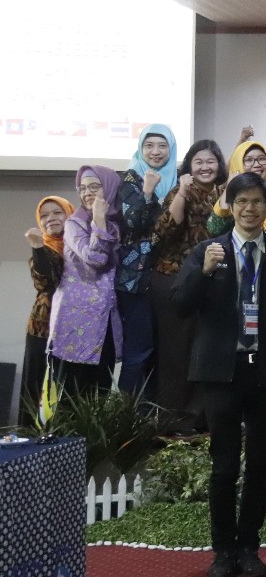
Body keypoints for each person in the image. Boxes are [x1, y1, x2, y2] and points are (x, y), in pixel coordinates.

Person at [173, 172, 266, 577]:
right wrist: (203, 272)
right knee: (225, 466)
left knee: (260, 465)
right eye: (241, 201)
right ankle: (223, 551)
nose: (249, 209)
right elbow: (180, 304)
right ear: (229, 206)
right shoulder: (207, 251)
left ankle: (249, 547)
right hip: (220, 374)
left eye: (257, 201)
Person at [151, 141, 228, 431]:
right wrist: (182, 191)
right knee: (177, 352)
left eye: (210, 161)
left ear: (219, 165)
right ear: (189, 166)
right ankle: (174, 421)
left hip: (212, 282)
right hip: (175, 279)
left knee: (205, 350)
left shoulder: (225, 192)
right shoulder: (180, 190)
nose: (205, 167)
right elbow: (165, 230)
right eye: (199, 162)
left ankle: (202, 419)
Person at [46, 166, 124, 395]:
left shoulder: (116, 225)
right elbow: (96, 258)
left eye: (94, 187)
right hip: (77, 321)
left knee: (98, 395)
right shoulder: (75, 224)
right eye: (82, 188)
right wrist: (98, 219)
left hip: (105, 320)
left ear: (109, 188)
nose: (87, 193)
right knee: (72, 397)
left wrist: (103, 221)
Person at [114, 123, 176, 395]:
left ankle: (156, 413)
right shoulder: (131, 177)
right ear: (140, 149)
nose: (156, 151)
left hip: (166, 277)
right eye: (149, 146)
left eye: (162, 146)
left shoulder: (177, 180)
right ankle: (127, 413)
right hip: (135, 279)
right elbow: (132, 223)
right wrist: (148, 191)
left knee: (162, 351)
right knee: (138, 350)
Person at [22, 196, 74, 420]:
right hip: (43, 331)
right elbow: (45, 281)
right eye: (44, 215)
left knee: (65, 394)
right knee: (35, 392)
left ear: (69, 214)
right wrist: (37, 248)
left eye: (57, 212)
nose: (50, 218)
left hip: (74, 330)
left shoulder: (80, 246)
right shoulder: (42, 250)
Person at [208, 140, 266, 240]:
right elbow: (215, 228)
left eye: (262, 159)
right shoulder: (227, 194)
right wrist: (232, 185)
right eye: (249, 160)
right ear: (238, 163)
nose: (257, 164)